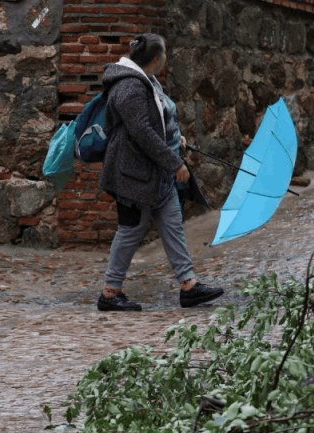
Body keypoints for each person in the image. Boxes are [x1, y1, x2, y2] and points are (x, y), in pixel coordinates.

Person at [96, 33, 224, 311]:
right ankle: (109, 293)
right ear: (157, 59)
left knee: (172, 224)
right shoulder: (129, 85)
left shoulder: (147, 80)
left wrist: (174, 139)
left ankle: (188, 286)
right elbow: (140, 131)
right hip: (132, 175)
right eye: (165, 54)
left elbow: (152, 121)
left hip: (153, 173)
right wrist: (175, 163)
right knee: (131, 230)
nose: (167, 58)